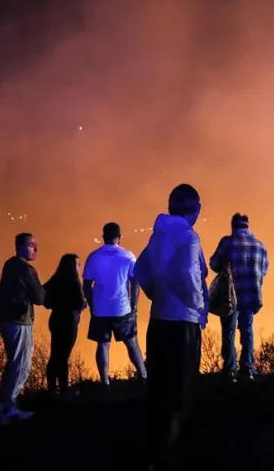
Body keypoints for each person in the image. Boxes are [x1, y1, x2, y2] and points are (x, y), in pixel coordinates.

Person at [135, 184, 209, 471]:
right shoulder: (189, 237)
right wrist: (199, 308)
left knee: (158, 388)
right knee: (180, 390)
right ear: (197, 209)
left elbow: (140, 270)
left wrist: (157, 294)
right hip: (183, 325)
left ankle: (153, 453)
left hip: (159, 321)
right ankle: (170, 455)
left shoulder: (158, 235)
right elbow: (190, 275)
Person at [84, 222, 147, 387]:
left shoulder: (93, 257)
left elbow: (86, 285)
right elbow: (135, 282)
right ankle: (143, 376)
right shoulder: (127, 256)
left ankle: (105, 381)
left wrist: (92, 306)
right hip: (122, 308)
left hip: (100, 309)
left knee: (103, 345)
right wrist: (134, 305)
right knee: (132, 342)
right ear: (120, 237)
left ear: (103, 236)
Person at [210, 213, 269, 382]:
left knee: (229, 331)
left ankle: (230, 371)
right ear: (248, 226)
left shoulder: (228, 242)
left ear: (233, 226)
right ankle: (248, 369)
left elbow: (214, 264)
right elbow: (264, 269)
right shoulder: (260, 246)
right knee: (247, 330)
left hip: (230, 296)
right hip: (251, 295)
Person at [0, 232, 46, 424]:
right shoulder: (27, 270)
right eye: (32, 245)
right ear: (22, 247)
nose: (36, 249)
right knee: (21, 365)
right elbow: (40, 298)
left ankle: (3, 403)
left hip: (6, 320)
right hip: (19, 321)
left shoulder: (9, 265)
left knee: (13, 362)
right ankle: (10, 408)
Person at [44, 253, 87, 398]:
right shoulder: (74, 282)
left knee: (55, 354)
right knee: (63, 356)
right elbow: (80, 302)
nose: (80, 267)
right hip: (68, 321)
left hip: (55, 319)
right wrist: (83, 305)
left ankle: (52, 388)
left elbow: (44, 296)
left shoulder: (56, 280)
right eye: (78, 264)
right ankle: (63, 389)